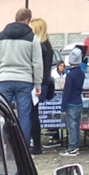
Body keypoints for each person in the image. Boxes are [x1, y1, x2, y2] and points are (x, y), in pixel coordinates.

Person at [0, 8, 42, 145]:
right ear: (28, 20)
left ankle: (2, 145)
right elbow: (37, 63)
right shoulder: (32, 38)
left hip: (5, 79)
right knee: (24, 116)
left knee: (2, 114)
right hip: (25, 80)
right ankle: (23, 147)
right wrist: (38, 84)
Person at [29, 18, 55, 153]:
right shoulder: (47, 45)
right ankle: (36, 144)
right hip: (43, 83)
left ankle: (36, 145)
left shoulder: (39, 45)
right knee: (34, 114)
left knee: (32, 114)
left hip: (37, 83)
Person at [60, 48, 85, 156]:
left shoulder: (70, 75)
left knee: (72, 126)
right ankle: (76, 146)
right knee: (76, 125)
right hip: (79, 101)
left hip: (71, 103)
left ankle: (72, 148)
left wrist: (63, 107)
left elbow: (67, 91)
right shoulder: (81, 73)